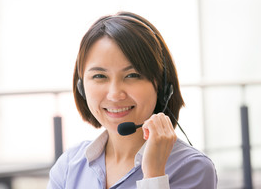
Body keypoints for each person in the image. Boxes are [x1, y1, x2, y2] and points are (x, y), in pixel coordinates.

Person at [47, 11, 217, 189]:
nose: (114, 94)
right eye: (99, 76)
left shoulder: (192, 169)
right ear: (82, 87)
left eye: (132, 75)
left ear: (162, 87)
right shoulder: (69, 165)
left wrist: (153, 175)